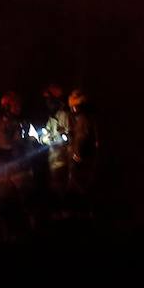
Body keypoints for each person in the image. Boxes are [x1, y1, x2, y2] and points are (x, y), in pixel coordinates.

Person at [0, 91, 32, 239]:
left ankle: (30, 234)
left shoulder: (24, 124)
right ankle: (5, 236)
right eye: (14, 105)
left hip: (21, 171)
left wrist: (31, 144)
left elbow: (34, 142)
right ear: (6, 107)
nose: (18, 108)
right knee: (4, 206)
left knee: (27, 203)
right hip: (3, 175)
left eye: (19, 105)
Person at [40, 84, 72, 215]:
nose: (47, 103)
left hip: (63, 161)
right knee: (55, 190)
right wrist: (44, 139)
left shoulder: (64, 115)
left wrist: (54, 139)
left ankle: (67, 215)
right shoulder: (52, 118)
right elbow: (44, 137)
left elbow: (69, 138)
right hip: (54, 161)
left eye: (49, 99)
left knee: (63, 190)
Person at [66, 89, 99, 214]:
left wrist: (76, 156)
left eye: (73, 107)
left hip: (82, 163)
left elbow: (81, 138)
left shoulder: (83, 120)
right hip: (86, 161)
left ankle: (80, 216)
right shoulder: (89, 118)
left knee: (78, 191)